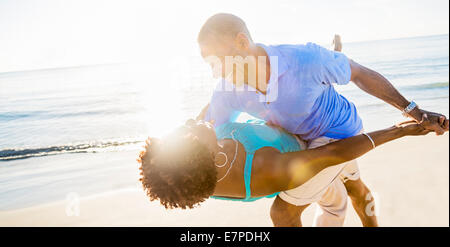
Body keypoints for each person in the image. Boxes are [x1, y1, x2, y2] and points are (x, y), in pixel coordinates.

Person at [196, 13, 449, 226]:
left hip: (342, 134)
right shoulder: (227, 89)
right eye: (209, 65)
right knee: (354, 189)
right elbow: (208, 127)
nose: (215, 72)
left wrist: (414, 111)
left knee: (283, 213)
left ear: (242, 42)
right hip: (299, 139)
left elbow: (359, 73)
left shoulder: (304, 59)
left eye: (217, 62)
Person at [138, 119, 434, 227]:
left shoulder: (195, 165)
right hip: (309, 161)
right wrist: (398, 131)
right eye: (190, 131)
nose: (191, 121)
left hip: (300, 151)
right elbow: (330, 154)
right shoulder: (264, 171)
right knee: (346, 196)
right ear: (206, 157)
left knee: (353, 191)